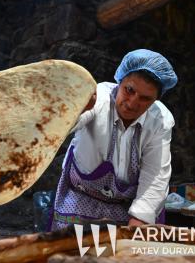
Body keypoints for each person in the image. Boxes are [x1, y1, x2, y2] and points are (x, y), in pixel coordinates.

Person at [49, 49, 178, 230]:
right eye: (129, 90)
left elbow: (155, 176)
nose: (132, 103)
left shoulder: (160, 120)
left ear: (156, 99)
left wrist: (139, 221)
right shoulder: (98, 98)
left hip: (128, 207)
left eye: (145, 98)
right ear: (120, 81)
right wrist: (75, 109)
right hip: (80, 199)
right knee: (70, 247)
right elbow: (64, 124)